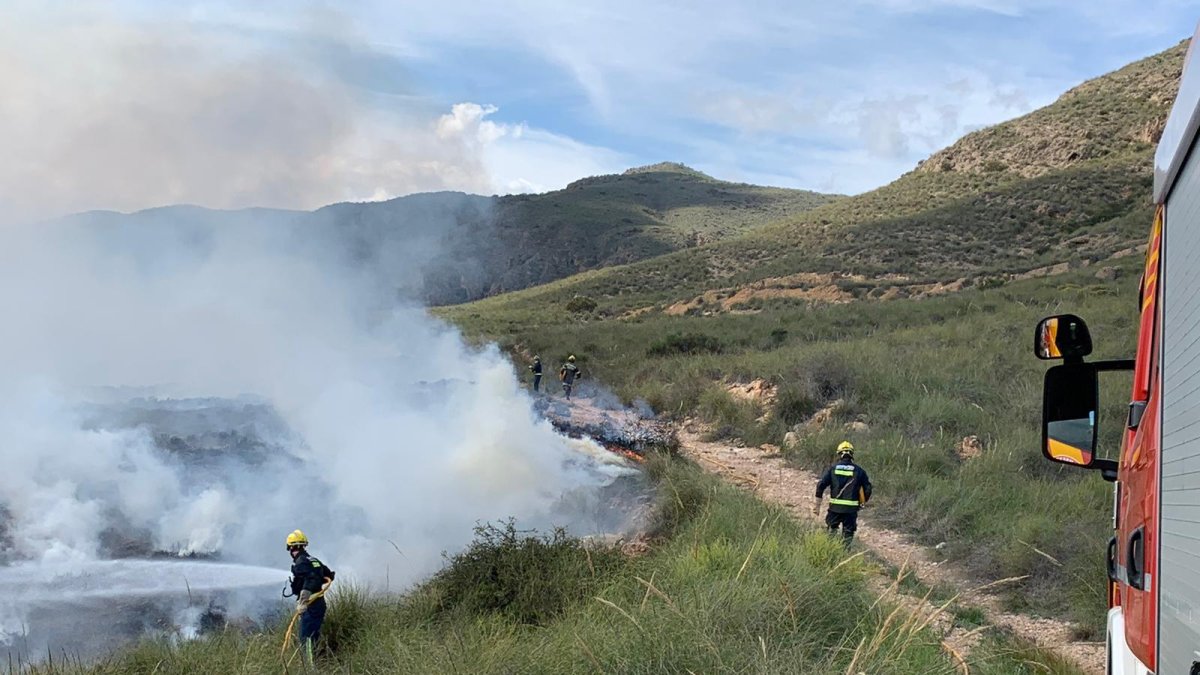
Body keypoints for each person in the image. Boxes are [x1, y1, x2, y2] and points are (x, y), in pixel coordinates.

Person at [286, 530, 335, 665]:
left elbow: (311, 579)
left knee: (306, 638)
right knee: (313, 636)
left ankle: (310, 668)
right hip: (318, 603)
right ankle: (318, 663)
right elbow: (329, 575)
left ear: (291, 548)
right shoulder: (313, 560)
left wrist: (303, 600)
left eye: (290, 548)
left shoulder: (301, 562)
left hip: (311, 605)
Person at [812, 441, 872, 546]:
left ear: (839, 454)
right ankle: (845, 552)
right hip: (851, 509)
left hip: (835, 508)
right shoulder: (859, 471)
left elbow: (820, 485)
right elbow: (868, 488)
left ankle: (830, 549)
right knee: (848, 532)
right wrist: (862, 502)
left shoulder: (833, 469)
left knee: (831, 530)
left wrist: (817, 505)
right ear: (852, 454)